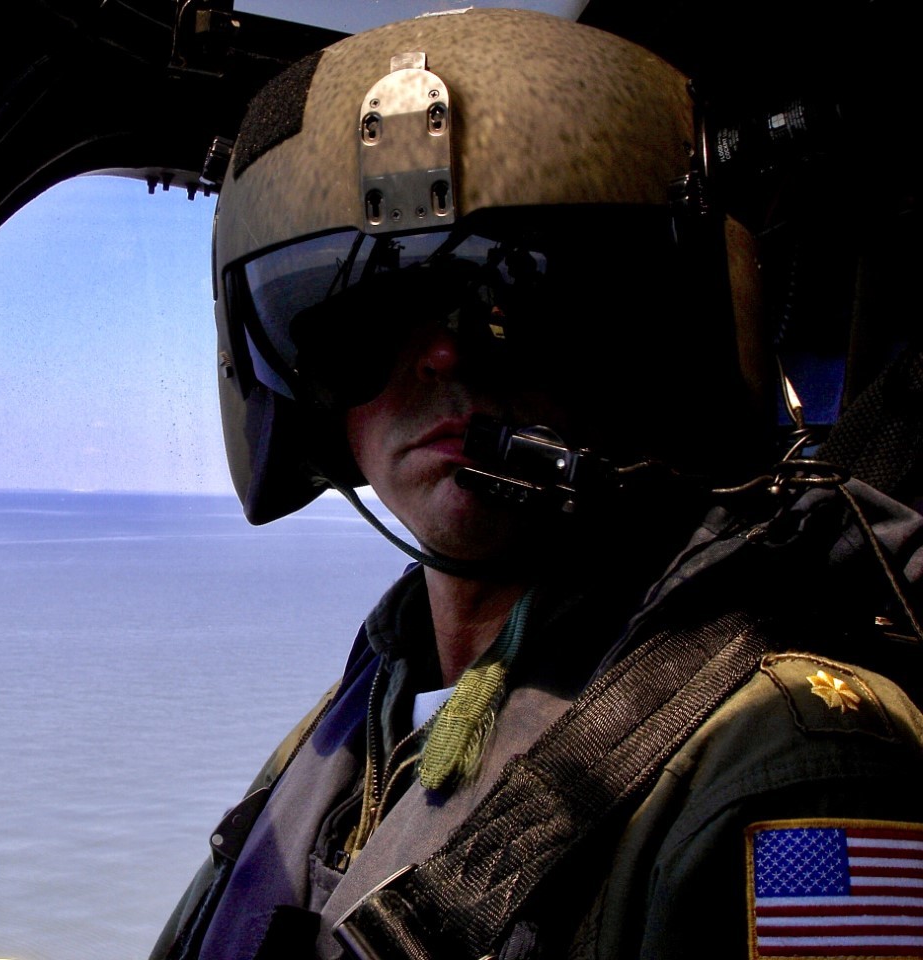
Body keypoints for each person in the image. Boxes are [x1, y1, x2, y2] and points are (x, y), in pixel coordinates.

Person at [152, 9, 923, 959]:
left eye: (510, 304)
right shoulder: (369, 717)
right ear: (307, 405)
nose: (439, 353)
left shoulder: (796, 765)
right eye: (363, 320)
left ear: (647, 349)